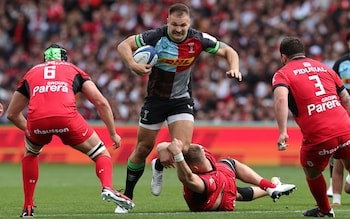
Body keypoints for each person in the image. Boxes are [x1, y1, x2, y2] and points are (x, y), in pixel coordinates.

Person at [116, 3, 242, 212]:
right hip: (155, 100)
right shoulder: (155, 36)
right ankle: (127, 196)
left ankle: (158, 163)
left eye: (183, 25)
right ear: (167, 21)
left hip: (181, 100)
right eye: (174, 24)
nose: (178, 29)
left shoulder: (198, 38)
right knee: (141, 149)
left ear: (189, 23)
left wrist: (234, 68)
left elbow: (229, 50)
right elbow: (124, 45)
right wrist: (133, 65)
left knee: (182, 148)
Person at [6, 44, 135, 217]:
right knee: (101, 153)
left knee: (30, 153)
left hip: (37, 121)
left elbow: (12, 114)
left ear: (45, 59)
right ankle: (107, 187)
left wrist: (32, 130)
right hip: (67, 118)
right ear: (64, 58)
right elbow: (100, 102)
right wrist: (112, 133)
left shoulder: (31, 73)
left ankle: (28, 207)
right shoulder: (74, 69)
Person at [272, 36, 350, 217]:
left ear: (283, 56)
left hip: (320, 134)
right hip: (345, 126)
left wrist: (283, 131)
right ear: (303, 52)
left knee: (312, 171)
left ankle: (325, 210)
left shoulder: (282, 73)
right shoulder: (324, 68)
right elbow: (345, 98)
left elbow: (281, 98)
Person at [155, 138, 296, 211]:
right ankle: (272, 186)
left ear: (195, 167)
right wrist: (171, 152)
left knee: (233, 182)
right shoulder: (204, 156)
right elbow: (187, 176)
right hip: (216, 187)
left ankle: (270, 186)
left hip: (218, 184)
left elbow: (187, 175)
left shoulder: (203, 174)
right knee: (235, 185)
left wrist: (173, 153)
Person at [328, 32, 350, 205]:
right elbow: (332, 87)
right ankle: (336, 199)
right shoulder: (340, 64)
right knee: (338, 158)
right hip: (343, 116)